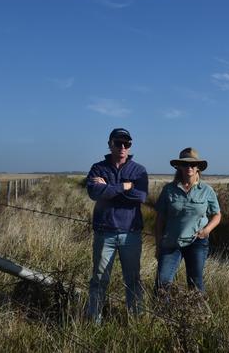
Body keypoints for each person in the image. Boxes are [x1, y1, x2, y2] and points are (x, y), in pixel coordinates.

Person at [85, 128, 148, 323]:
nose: (122, 147)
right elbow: (94, 193)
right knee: (99, 279)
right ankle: (94, 321)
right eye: (118, 143)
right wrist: (124, 186)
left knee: (133, 281)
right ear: (109, 144)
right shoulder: (98, 168)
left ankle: (137, 321)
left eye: (126, 143)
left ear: (130, 146)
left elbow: (141, 196)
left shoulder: (139, 170)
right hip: (105, 232)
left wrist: (108, 188)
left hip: (131, 234)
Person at [155, 147, 221, 292]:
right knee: (163, 282)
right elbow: (160, 218)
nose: (189, 167)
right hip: (171, 242)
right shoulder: (169, 190)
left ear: (198, 168)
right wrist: (158, 243)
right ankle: (162, 312)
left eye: (192, 164)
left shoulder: (206, 190)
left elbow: (217, 215)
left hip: (196, 242)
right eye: (185, 164)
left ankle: (199, 314)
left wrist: (207, 230)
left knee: (195, 283)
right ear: (179, 167)